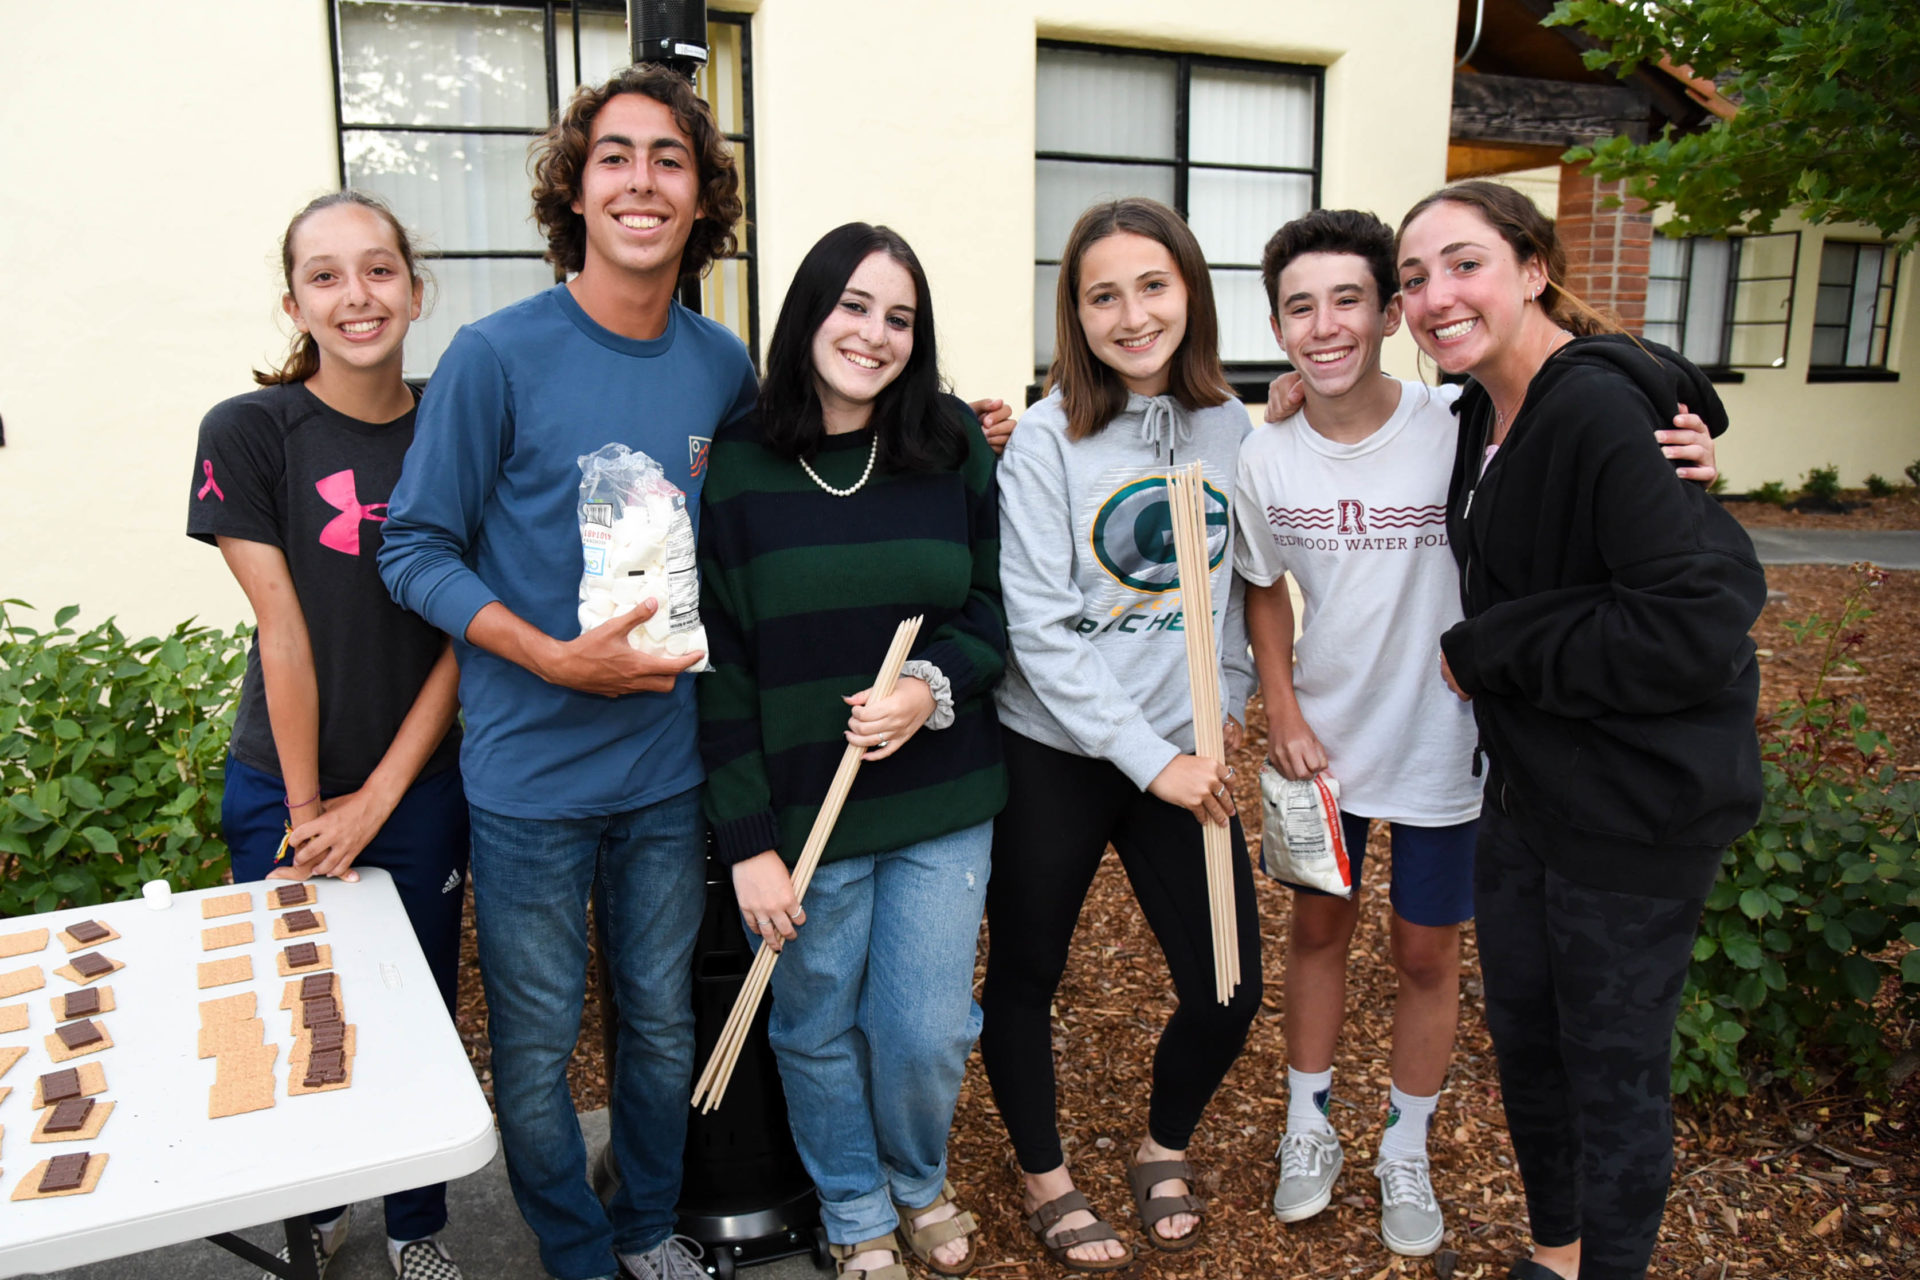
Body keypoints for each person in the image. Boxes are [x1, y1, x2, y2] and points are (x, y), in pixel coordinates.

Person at [1235, 209, 1723, 1261]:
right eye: (1298, 307)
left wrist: (1685, 427)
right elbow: (1261, 583)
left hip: (1454, 747)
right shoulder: (1265, 451)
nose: (1326, 326)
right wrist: (1278, 702)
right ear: (1274, 324)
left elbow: (1601, 411)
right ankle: (1306, 1123)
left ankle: (1405, 1142)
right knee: (1318, 932)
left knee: (1428, 952)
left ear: (1386, 314)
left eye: (1353, 298)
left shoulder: (1453, 414)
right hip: (1328, 744)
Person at [378, 65, 754, 1280]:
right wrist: (541, 652)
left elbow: (784, 502)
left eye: (669, 160)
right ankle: (575, 1248)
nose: (641, 180)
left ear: (702, 199)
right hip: (528, 777)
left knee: (657, 1025)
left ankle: (645, 1226)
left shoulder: (723, 367)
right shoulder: (497, 356)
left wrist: (954, 426)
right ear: (575, 189)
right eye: (615, 156)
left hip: (667, 772)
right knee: (537, 1047)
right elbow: (414, 546)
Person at [1394, 180, 1765, 1280]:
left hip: (1634, 810)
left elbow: (1697, 619)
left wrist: (1488, 651)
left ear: (1533, 268)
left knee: (1612, 1079)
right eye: (1414, 277)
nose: (1434, 295)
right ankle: (1555, 1256)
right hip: (1530, 796)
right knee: (1532, 1050)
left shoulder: (1596, 408)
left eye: (1464, 263)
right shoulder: (1479, 413)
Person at [696, 222, 1006, 1280]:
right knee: (814, 1020)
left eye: (900, 317)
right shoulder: (738, 463)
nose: (874, 334)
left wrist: (930, 687)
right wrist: (747, 841)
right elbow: (722, 666)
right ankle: (854, 1202)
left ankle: (917, 1178)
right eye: (854, 305)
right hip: (800, 814)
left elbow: (987, 618)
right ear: (809, 312)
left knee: (921, 1028)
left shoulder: (952, 441)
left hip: (942, 797)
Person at [186, 190, 469, 1280]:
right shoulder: (249, 431)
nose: (357, 296)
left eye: (379, 269)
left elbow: (466, 631)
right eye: (325, 274)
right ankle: (314, 1209)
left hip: (419, 783)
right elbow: (285, 629)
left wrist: (382, 798)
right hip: (283, 781)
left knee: (416, 1008)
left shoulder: (459, 416)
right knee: (297, 1005)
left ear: (415, 281)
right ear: (293, 297)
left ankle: (416, 1224)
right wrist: (311, 814)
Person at [979, 197, 1262, 1273]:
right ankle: (1046, 1173)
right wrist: (1158, 760)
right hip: (1056, 747)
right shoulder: (1049, 438)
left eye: (1153, 285)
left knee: (1228, 985)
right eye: (1104, 294)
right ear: (1076, 313)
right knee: (1028, 970)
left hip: (1186, 749)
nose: (1132, 313)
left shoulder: (1237, 430)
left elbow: (1239, 597)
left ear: (1189, 290)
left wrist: (1223, 706)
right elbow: (1041, 631)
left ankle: (1162, 1143)